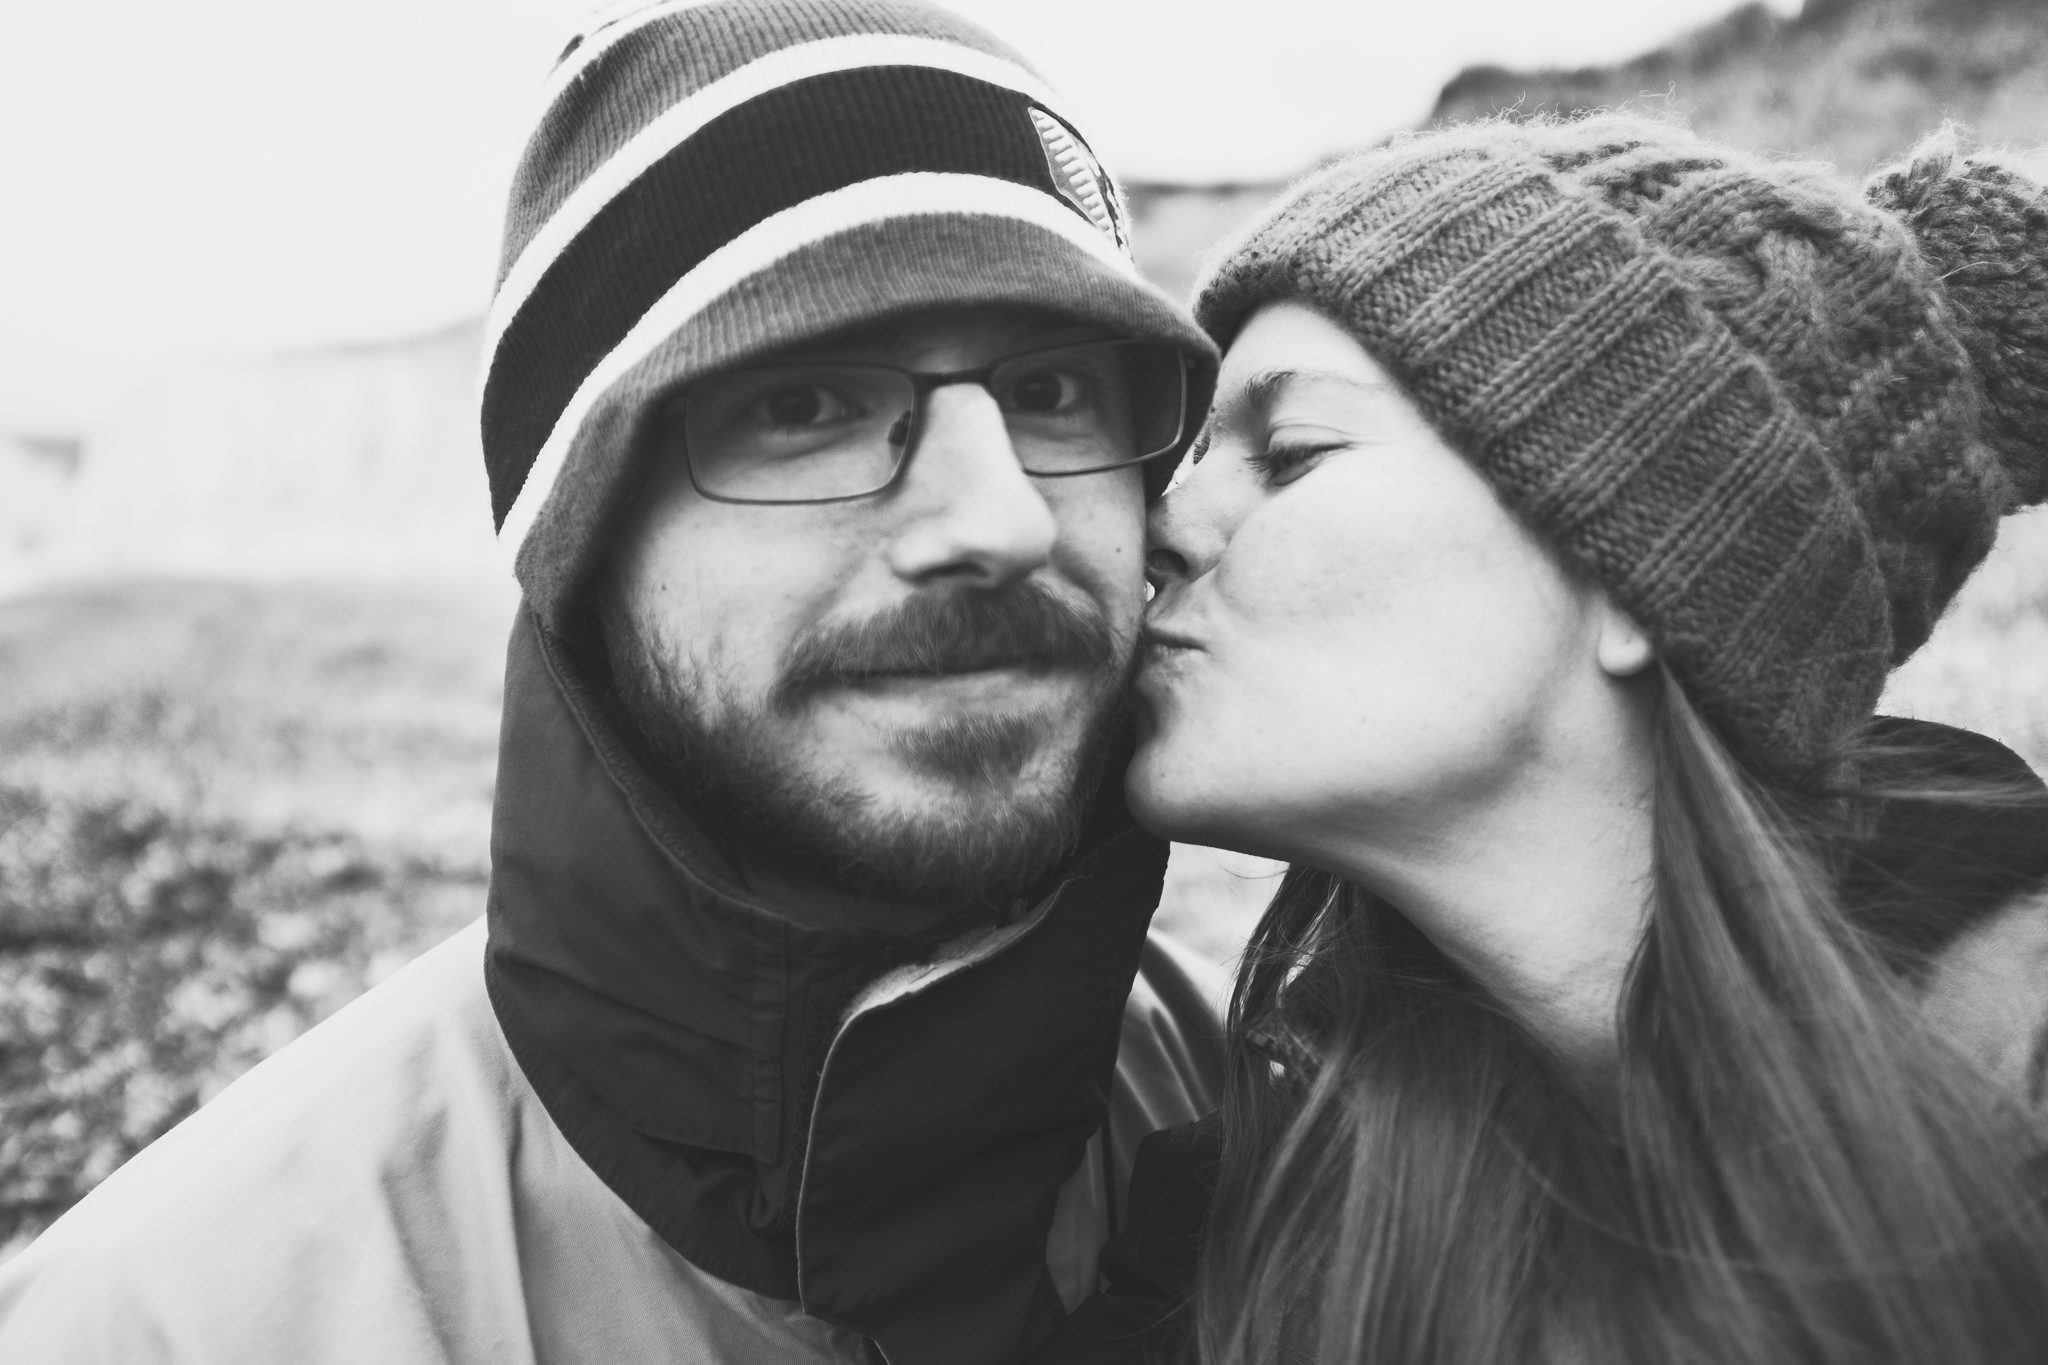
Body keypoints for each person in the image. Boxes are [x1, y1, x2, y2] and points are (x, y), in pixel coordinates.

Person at [0, 4, 1227, 1363]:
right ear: (581, 538)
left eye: (1054, 387)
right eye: (803, 405)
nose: (998, 519)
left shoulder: (1244, 1103)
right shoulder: (180, 1320)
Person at [1036, 114, 2048, 1364]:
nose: (1163, 526)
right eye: (1192, 457)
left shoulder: (2017, 1092)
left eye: (1288, 455)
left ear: (1644, 573)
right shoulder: (1242, 1234)